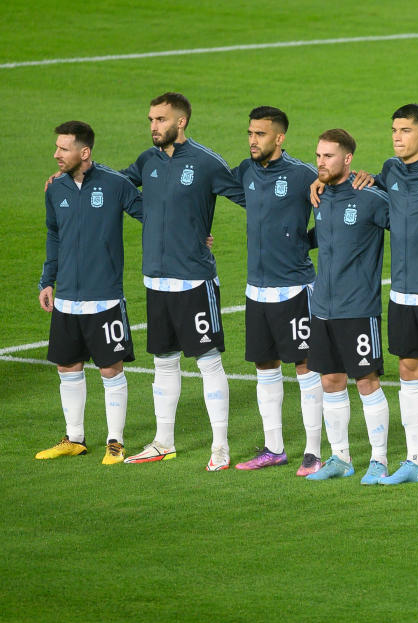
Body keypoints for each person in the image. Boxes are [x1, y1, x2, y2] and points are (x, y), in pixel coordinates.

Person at [334, 104, 418, 490]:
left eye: (406, 130)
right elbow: (372, 188)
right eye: (394, 129)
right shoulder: (390, 170)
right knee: (410, 373)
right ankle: (416, 460)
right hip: (401, 294)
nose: (397, 136)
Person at [121, 92, 245, 471]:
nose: (154, 126)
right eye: (150, 120)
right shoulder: (147, 160)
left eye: (160, 119)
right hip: (156, 281)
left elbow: (250, 197)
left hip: (194, 281)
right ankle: (163, 441)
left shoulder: (206, 163)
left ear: (181, 122)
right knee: (163, 362)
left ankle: (220, 446)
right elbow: (116, 189)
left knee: (208, 362)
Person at [35, 121, 142, 465]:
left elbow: (154, 216)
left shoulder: (115, 184)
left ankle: (115, 442)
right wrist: (47, 280)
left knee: (110, 369)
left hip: (105, 298)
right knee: (68, 367)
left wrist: (196, 235)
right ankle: (75, 438)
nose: (56, 154)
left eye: (63, 149)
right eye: (57, 147)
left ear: (84, 152)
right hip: (66, 297)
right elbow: (54, 235)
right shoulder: (55, 189)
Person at [230, 106, 325, 476]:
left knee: (306, 366)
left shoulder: (303, 175)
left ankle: (313, 452)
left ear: (279, 138)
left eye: (261, 134)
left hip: (295, 289)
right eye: (250, 133)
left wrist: (304, 242)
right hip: (256, 290)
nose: (253, 140)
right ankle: (274, 448)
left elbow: (330, 216)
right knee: (264, 366)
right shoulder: (246, 171)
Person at [302, 128, 392, 485]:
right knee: (330, 380)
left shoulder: (371, 198)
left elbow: (408, 228)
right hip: (322, 307)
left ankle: (380, 461)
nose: (321, 162)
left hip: (359, 308)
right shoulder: (320, 197)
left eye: (328, 156)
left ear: (348, 159)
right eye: (319, 155)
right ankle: (340, 456)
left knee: (366, 381)